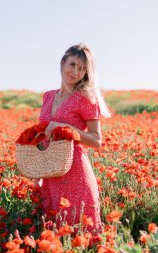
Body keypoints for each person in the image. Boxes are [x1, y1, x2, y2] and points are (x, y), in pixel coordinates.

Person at [38, 43, 111, 233]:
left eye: (82, 69)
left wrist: (67, 128)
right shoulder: (48, 96)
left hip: (75, 173)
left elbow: (96, 140)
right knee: (52, 235)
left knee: (81, 235)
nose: (76, 72)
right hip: (51, 173)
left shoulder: (85, 97)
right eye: (72, 65)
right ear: (62, 63)